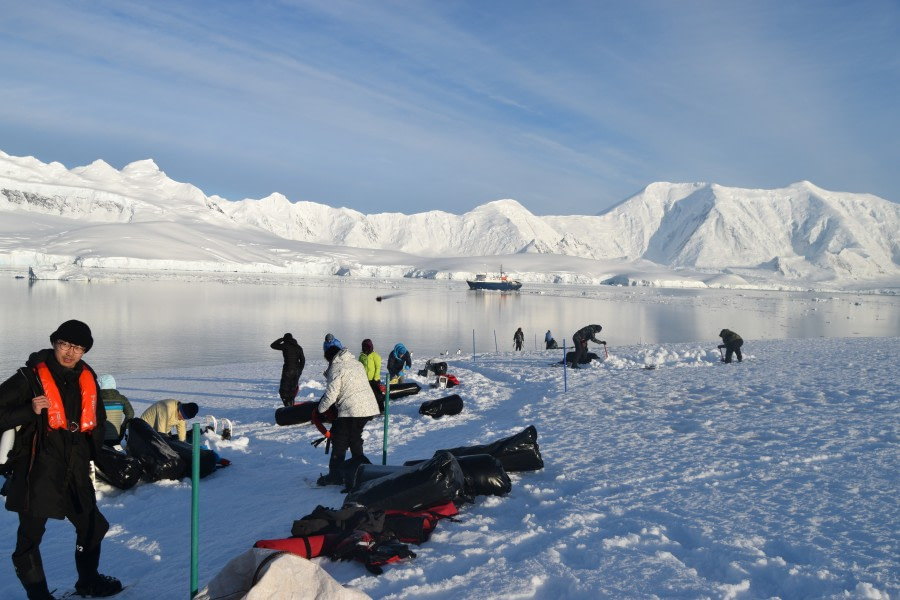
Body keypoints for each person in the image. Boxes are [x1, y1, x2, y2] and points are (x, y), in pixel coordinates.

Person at [0, 319, 122, 599]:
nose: (70, 352)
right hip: (37, 472)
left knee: (93, 527)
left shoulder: (87, 377)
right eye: (65, 344)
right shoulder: (28, 378)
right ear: (54, 343)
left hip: (75, 469)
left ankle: (88, 581)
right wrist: (27, 411)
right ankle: (40, 596)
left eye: (78, 348)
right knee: (28, 542)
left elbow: (98, 420)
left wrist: (95, 453)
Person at [315, 345, 380, 486]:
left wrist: (320, 409)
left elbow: (332, 394)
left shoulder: (336, 368)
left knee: (340, 441)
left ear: (331, 358)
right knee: (354, 439)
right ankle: (364, 472)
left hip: (351, 410)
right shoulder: (355, 363)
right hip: (367, 408)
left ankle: (335, 476)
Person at [270, 333, 306, 407]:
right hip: (296, 371)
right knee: (292, 390)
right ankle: (291, 406)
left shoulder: (285, 345)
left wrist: (282, 339)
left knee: (283, 390)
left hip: (288, 370)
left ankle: (287, 406)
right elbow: (303, 360)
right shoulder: (298, 347)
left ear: (285, 339)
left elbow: (273, 345)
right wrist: (300, 370)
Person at [97, 374, 134, 445]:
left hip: (98, 437)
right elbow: (130, 414)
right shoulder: (121, 399)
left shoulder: (95, 399)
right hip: (116, 437)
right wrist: (122, 428)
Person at [358, 339, 384, 412]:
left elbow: (378, 367)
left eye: (367, 346)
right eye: (364, 346)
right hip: (365, 379)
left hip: (374, 380)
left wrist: (375, 378)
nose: (365, 348)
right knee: (366, 395)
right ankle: (370, 410)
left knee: (377, 395)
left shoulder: (375, 356)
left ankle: (381, 409)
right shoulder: (361, 356)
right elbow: (359, 366)